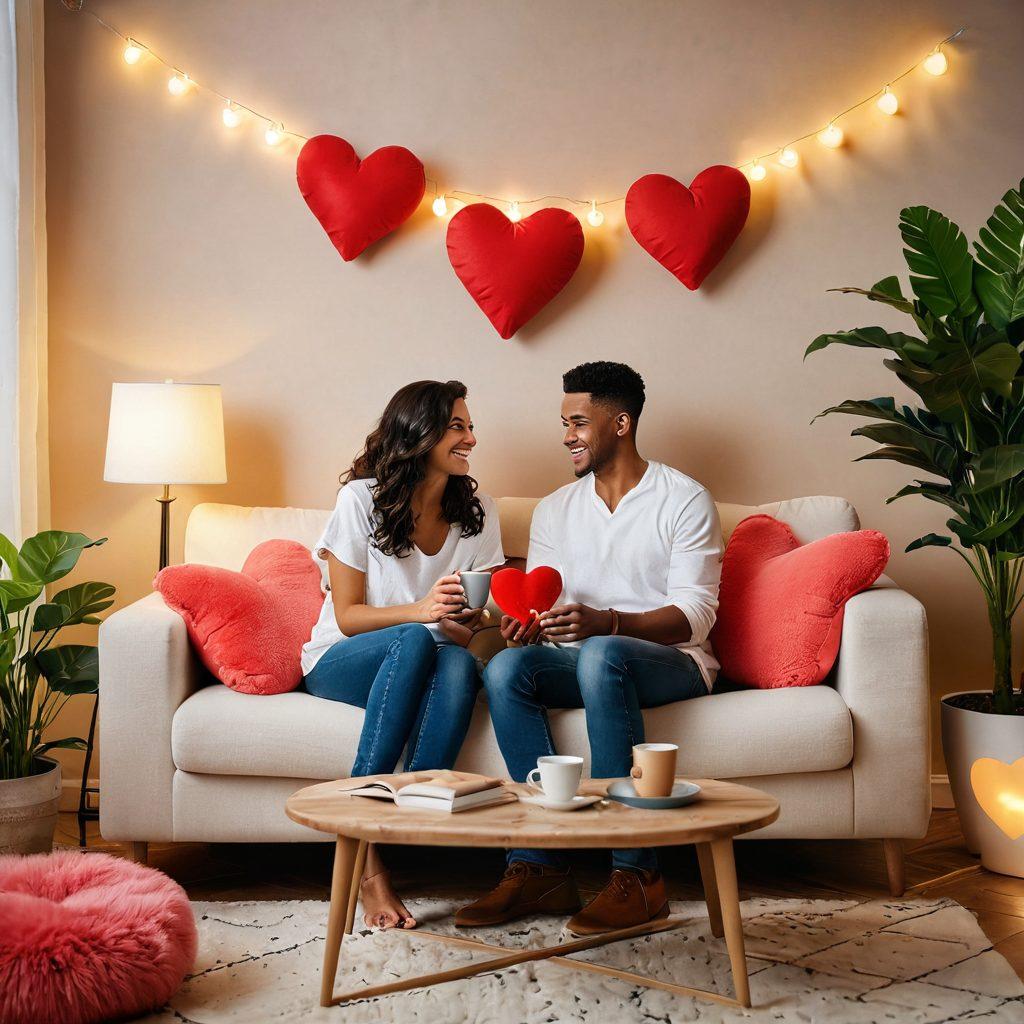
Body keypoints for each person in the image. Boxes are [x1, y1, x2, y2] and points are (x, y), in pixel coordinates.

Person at [456, 361, 723, 936]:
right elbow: (547, 604)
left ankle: (636, 875)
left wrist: (609, 622)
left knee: (604, 652)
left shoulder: (684, 499)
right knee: (505, 669)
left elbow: (697, 618)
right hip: (583, 659)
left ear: (621, 423)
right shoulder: (556, 509)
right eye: (564, 424)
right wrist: (530, 626)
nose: (567, 436)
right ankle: (540, 866)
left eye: (578, 422)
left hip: (674, 662)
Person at [302, 379, 504, 930]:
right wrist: (422, 612)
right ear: (420, 433)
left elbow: (483, 622)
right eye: (457, 426)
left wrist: (480, 623)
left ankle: (413, 814)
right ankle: (363, 855)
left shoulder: (478, 511)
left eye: (470, 426)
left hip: (433, 656)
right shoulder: (360, 501)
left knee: (457, 660)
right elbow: (348, 617)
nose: (471, 438)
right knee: (416, 639)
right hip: (342, 658)